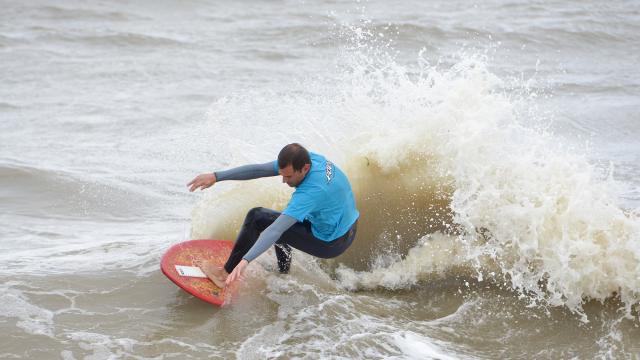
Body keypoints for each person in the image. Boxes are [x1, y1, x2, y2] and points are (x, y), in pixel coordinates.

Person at [187, 143, 359, 288]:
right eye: (283, 174)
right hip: (347, 226)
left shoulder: (312, 192)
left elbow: (275, 230)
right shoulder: (311, 159)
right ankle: (284, 272)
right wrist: (216, 176)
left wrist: (245, 261)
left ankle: (224, 274)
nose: (284, 181)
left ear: (305, 168)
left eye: (289, 176)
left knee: (258, 217)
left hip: (331, 242)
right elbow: (260, 170)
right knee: (284, 218)